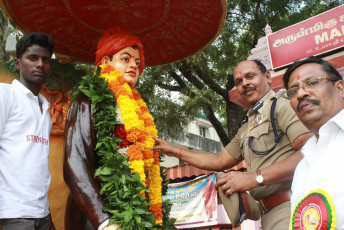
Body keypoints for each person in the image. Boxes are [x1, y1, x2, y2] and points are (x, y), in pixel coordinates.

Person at [152, 59, 313, 229]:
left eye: (250, 77)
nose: (245, 84)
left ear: (267, 77)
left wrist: (252, 178)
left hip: (295, 206)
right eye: (239, 82)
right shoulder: (247, 125)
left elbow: (310, 153)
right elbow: (220, 161)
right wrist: (172, 150)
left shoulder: (282, 104)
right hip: (269, 214)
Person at [64, 29, 166, 230]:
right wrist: (103, 220)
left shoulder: (139, 113)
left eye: (137, 63)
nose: (133, 66)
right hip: (96, 218)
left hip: (136, 213)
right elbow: (74, 163)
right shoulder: (88, 100)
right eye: (125, 59)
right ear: (104, 63)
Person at [0, 32, 55, 230]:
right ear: (17, 63)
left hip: (42, 213)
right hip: (13, 213)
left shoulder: (45, 107)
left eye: (45, 60)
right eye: (32, 58)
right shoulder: (5, 95)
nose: (40, 64)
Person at [283, 56, 344, 229]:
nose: (301, 93)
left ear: (340, 88)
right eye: (293, 91)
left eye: (313, 82)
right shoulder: (303, 165)